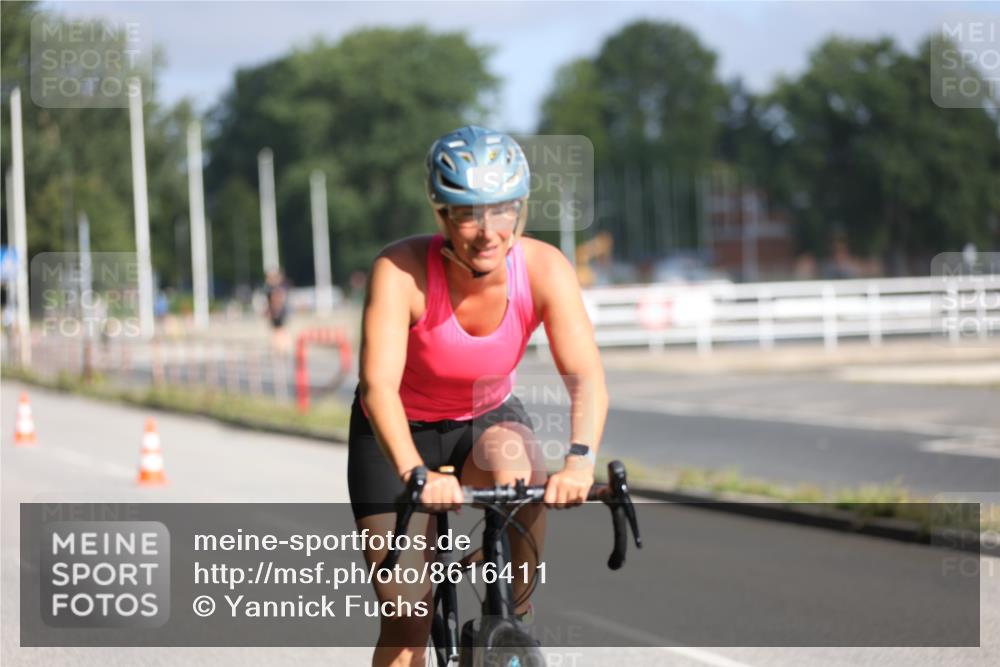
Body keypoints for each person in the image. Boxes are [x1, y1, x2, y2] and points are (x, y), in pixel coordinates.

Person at [349, 126, 608, 667]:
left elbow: (585, 374)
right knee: (406, 625)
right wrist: (413, 474)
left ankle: (515, 615)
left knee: (516, 467)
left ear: (520, 209)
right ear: (442, 215)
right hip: (399, 432)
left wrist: (580, 461)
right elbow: (378, 388)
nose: (487, 231)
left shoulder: (543, 268)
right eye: (468, 213)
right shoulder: (400, 271)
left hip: (485, 420)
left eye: (501, 210)